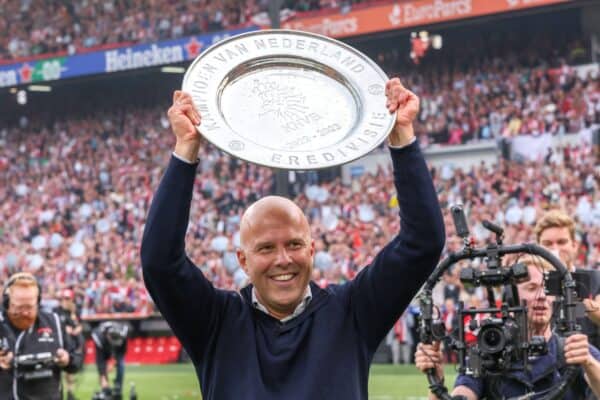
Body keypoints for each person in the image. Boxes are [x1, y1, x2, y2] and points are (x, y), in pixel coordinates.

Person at [140, 78, 445, 399]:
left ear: (312, 249)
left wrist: (402, 138)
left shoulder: (352, 313)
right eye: (266, 248)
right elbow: (160, 263)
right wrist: (186, 149)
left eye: (294, 244)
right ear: (243, 259)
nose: (283, 259)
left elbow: (422, 242)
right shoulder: (215, 322)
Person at [415, 255, 600, 400]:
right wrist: (436, 380)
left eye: (547, 289)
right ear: (511, 298)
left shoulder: (573, 350)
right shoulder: (487, 352)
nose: (542, 296)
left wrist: (589, 363)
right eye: (531, 287)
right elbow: (463, 394)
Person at [0, 272, 82, 400]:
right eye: (19, 307)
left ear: (38, 302)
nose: (25, 312)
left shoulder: (54, 322)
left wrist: (67, 359)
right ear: (7, 303)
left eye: (29, 306)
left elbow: (76, 361)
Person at [534, 209, 600, 347]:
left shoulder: (595, 281)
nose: (555, 250)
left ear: (574, 246)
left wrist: (586, 304)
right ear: (537, 249)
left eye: (562, 242)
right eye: (547, 244)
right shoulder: (528, 287)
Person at [54, 289, 84, 400]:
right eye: (63, 298)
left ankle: (70, 392)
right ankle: (60, 391)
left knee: (71, 370)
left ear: (72, 300)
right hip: (60, 344)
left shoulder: (75, 311)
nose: (65, 301)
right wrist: (64, 329)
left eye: (68, 299)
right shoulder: (56, 311)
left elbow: (80, 326)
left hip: (73, 343)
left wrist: (75, 326)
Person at [91, 321, 129, 399]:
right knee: (103, 370)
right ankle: (105, 389)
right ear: (108, 336)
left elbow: (122, 352)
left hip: (117, 351)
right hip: (104, 350)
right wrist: (103, 376)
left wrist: (113, 362)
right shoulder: (99, 338)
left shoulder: (123, 335)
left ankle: (118, 389)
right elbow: (100, 360)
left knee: (121, 365)